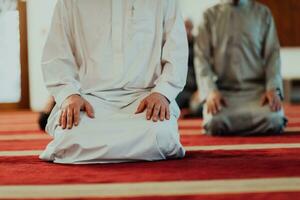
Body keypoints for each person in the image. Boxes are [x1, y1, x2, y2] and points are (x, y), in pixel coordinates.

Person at [39, 0, 188, 164]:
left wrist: (162, 93)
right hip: (89, 101)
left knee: (161, 134)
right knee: (69, 137)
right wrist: (69, 96)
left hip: (145, 100)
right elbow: (55, 56)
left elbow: (177, 52)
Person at [194, 0, 287, 136]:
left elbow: (272, 55)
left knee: (275, 119)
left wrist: (273, 88)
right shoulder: (209, 16)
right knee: (215, 122)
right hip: (223, 95)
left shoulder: (263, 13)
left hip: (257, 94)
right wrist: (210, 91)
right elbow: (201, 58)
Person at [176, 19, 202, 118]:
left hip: (195, 92)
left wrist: (201, 90)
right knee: (166, 107)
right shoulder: (174, 46)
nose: (187, 31)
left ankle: (189, 113)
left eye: (189, 28)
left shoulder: (200, 46)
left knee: (199, 109)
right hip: (179, 91)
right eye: (184, 28)